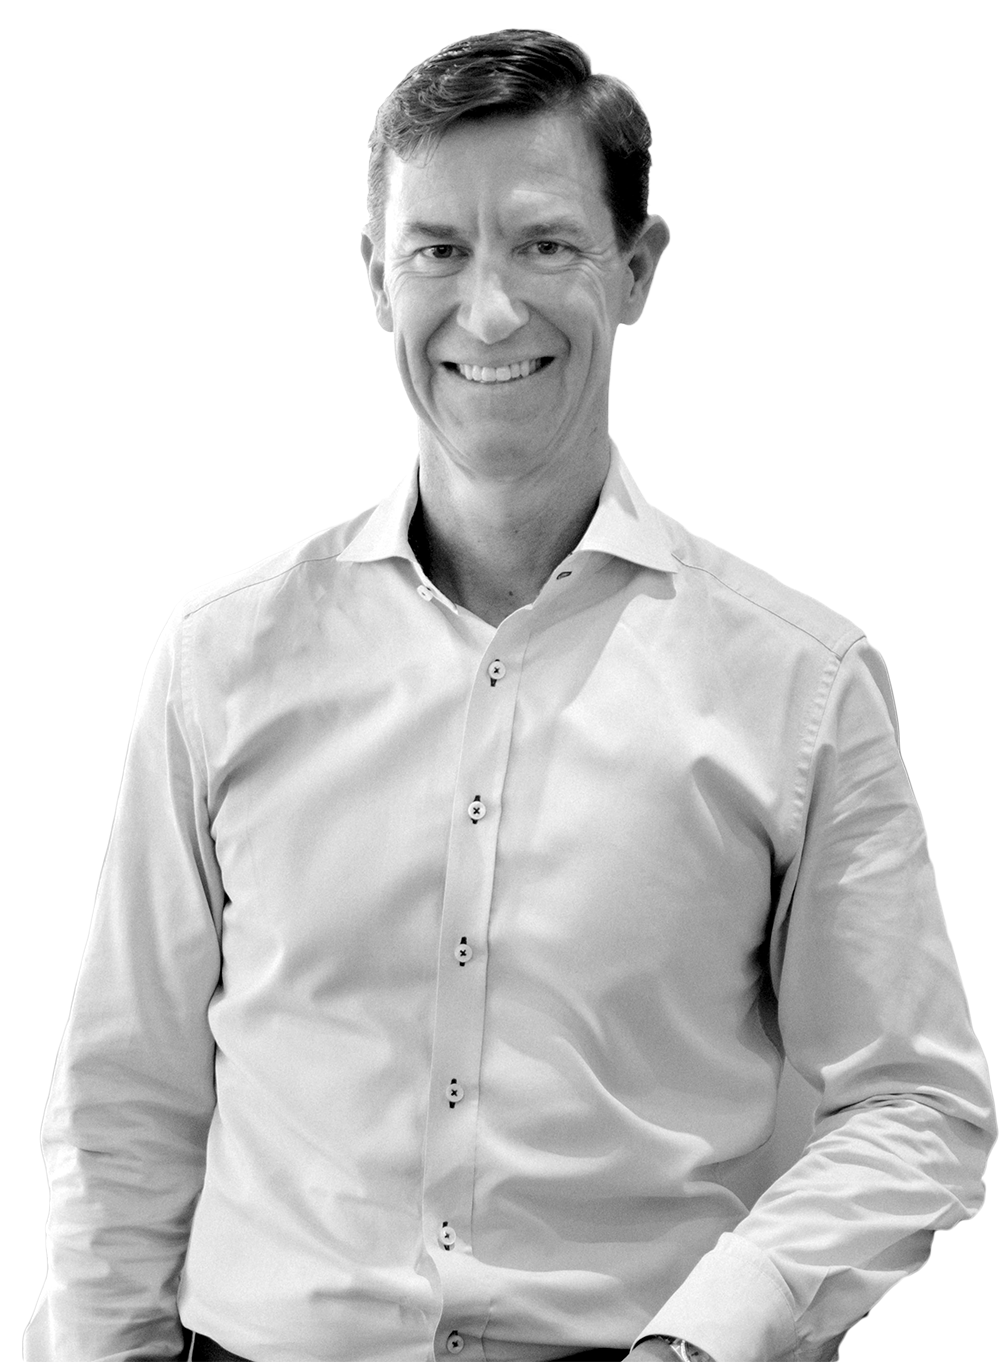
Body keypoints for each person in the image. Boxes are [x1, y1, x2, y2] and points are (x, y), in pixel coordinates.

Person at [24, 27, 994, 1362]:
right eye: (438, 249)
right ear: (376, 277)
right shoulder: (221, 661)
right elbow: (122, 1101)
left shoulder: (801, 685)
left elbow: (913, 1102)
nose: (487, 311)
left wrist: (714, 1333)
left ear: (637, 269)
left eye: (545, 245)